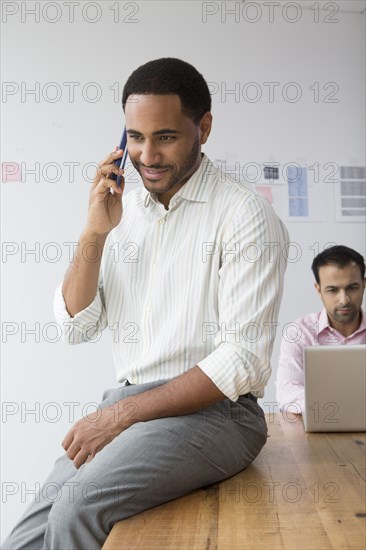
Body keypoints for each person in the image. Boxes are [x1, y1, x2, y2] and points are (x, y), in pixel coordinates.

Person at [2, 58, 288, 550]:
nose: (147, 155)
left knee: (79, 506)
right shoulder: (122, 212)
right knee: (24, 537)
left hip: (219, 415)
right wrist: (94, 231)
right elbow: (76, 325)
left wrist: (120, 416)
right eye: (135, 137)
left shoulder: (244, 215)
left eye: (166, 137)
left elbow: (240, 360)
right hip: (131, 404)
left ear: (204, 127)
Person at [276, 245, 366, 414]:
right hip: (319, 424)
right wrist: (332, 408)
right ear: (318, 290)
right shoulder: (298, 332)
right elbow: (287, 392)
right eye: (332, 290)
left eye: (352, 288)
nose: (344, 300)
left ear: (364, 284)